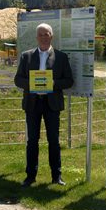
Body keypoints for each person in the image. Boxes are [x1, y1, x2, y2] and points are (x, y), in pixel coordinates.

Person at [14, 23, 74, 187]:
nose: (43, 37)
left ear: (51, 36)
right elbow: (17, 80)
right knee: (32, 141)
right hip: (33, 104)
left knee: (53, 141)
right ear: (36, 37)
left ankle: (56, 176)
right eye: (40, 34)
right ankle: (30, 176)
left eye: (46, 34)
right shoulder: (26, 56)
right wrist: (32, 83)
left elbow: (69, 81)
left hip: (52, 104)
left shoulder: (61, 57)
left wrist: (53, 83)